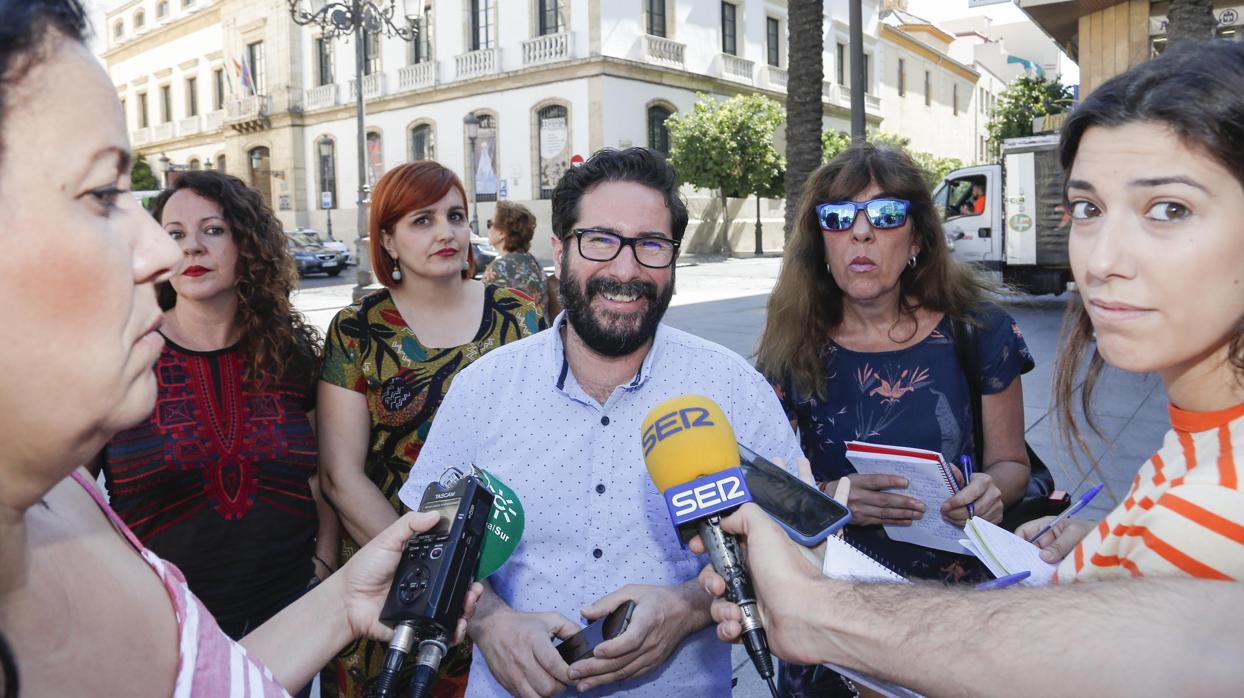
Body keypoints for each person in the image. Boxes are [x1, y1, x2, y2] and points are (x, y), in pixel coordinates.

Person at [699, 40, 1244, 697]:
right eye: (1086, 210)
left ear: (919, 237)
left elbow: (1110, 647)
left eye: (1168, 209)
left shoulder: (1213, 495)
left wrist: (817, 613)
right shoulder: (1193, 456)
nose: (1104, 259)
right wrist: (1099, 543)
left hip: (957, 600)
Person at [0, 3, 478, 696]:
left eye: (211, 231)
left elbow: (213, 680)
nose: (167, 249)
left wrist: (340, 594)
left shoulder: (66, 505)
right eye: (104, 192)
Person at [395, 147, 804, 698]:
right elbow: (425, 541)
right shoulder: (483, 388)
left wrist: (690, 608)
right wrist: (490, 622)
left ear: (674, 258)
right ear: (560, 252)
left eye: (651, 245)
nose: (626, 269)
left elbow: (797, 541)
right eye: (601, 240)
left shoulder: (733, 388)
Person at [758, 142, 1032, 694]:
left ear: (917, 238)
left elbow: (1011, 462)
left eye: (885, 216)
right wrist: (832, 496)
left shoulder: (979, 331)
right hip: (834, 615)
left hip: (954, 620)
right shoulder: (792, 347)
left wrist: (990, 492)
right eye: (838, 218)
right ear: (821, 242)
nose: (861, 234)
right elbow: (752, 480)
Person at [317, 161, 544, 696]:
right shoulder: (357, 331)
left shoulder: (521, 316)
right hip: (392, 589)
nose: (446, 232)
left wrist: (481, 587)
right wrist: (437, 571)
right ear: (388, 241)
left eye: (456, 216)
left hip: (510, 580)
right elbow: (341, 477)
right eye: (421, 220)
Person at [93, 171, 338, 655]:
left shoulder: (290, 355)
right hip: (162, 632)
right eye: (175, 234)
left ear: (248, 244)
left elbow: (319, 480)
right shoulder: (120, 353)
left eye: (214, 229)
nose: (193, 248)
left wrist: (322, 575)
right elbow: (71, 502)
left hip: (289, 620)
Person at [481, 200, 550, 314]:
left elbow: (481, 310)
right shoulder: (532, 261)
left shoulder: (498, 268)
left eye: (490, 223)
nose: (488, 229)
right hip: (541, 330)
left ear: (502, 233)